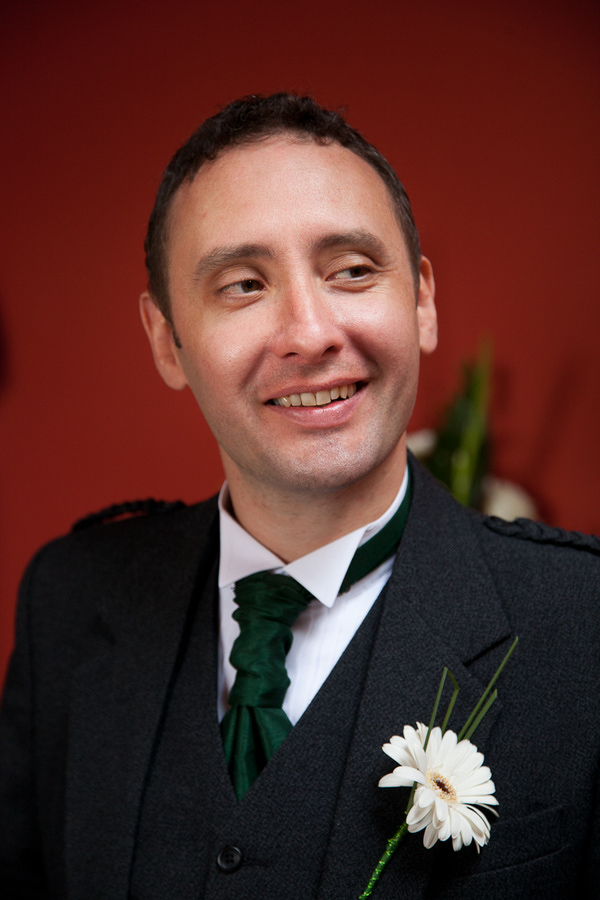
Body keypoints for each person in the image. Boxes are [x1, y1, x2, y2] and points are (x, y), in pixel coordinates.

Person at [0, 93, 599, 900]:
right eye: (243, 285)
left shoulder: (584, 623)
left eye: (352, 270)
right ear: (166, 340)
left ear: (422, 301)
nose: (311, 333)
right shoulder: (67, 604)